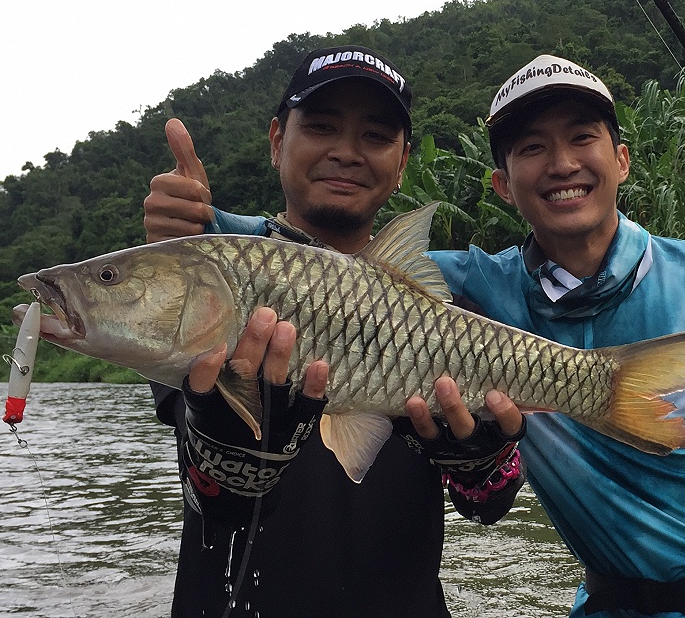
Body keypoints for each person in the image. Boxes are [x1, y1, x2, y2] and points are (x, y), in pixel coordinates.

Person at [148, 54, 685, 618]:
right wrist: (203, 226)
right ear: (502, 183)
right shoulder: (472, 290)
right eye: (529, 149)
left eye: (582, 137)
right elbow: (313, 259)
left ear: (621, 158)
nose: (561, 164)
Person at [142, 45, 526, 618]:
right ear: (277, 140)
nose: (345, 152)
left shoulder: (452, 317)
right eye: (321, 127)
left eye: (374, 137)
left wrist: (480, 458)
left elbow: (490, 504)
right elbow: (210, 495)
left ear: (400, 165)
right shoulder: (219, 286)